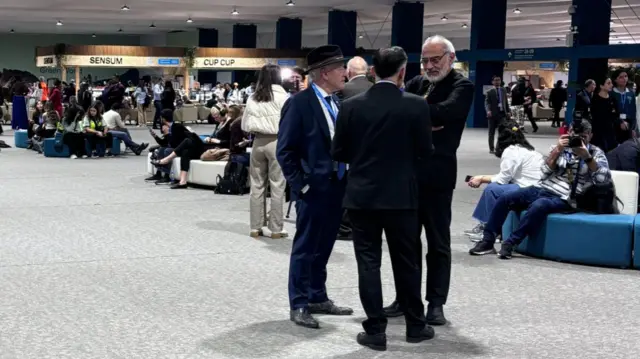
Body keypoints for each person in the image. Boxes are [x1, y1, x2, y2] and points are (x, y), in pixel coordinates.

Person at [332, 46, 434, 350]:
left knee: (368, 262)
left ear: (373, 70)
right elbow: (426, 151)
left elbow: (339, 152)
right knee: (407, 262)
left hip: (362, 196)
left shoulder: (350, 105)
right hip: (402, 195)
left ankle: (375, 330)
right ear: (402, 72)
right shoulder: (417, 105)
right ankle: (416, 325)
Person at [383, 35, 474, 326]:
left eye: (436, 59)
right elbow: (397, 112)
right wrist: (426, 119)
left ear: (451, 57)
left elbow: (446, 112)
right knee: (405, 243)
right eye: (425, 60)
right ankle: (405, 297)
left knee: (438, 243)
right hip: (407, 175)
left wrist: (416, 115)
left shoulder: (462, 86)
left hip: (438, 176)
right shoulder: (417, 84)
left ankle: (436, 303)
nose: (430, 65)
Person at [277, 45, 354, 329]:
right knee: (305, 247)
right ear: (325, 73)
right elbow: (285, 151)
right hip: (313, 189)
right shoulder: (299, 103)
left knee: (324, 246)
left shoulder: (338, 101)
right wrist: (302, 185)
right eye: (340, 68)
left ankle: (317, 296)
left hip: (337, 186)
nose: (345, 73)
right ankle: (298, 303)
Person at [469, 120, 611, 258]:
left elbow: (603, 179)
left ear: (591, 135)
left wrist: (586, 157)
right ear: (568, 133)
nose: (578, 141)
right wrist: (557, 151)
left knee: (539, 205)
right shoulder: (560, 148)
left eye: (583, 137)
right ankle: (487, 241)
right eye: (575, 137)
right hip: (543, 187)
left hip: (567, 198)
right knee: (506, 197)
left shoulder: (595, 153)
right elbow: (543, 172)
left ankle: (511, 243)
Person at [464, 126, 543, 241]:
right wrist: (481, 178)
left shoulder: (510, 151)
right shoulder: (528, 150)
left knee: (492, 189)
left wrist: (481, 178)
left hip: (528, 188)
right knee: (494, 187)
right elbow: (507, 176)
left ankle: (491, 231)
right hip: (534, 187)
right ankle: (484, 225)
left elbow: (502, 179)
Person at [242, 64, 289, 239]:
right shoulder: (284, 97)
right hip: (278, 141)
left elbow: (244, 124)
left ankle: (255, 227)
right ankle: (276, 228)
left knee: (256, 185)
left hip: (258, 142)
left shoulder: (253, 97)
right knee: (277, 185)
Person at [150, 109, 205, 189]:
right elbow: (164, 143)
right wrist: (155, 136)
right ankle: (159, 174)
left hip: (188, 147)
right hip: (182, 149)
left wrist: (167, 134)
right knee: (162, 149)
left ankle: (166, 175)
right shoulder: (169, 127)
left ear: (163, 119)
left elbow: (174, 144)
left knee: (167, 150)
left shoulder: (177, 127)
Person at [590, 77, 619, 153]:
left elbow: (616, 114)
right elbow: (593, 115)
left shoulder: (613, 98)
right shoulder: (595, 99)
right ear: (601, 86)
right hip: (597, 131)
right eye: (608, 83)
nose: (611, 85)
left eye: (611, 83)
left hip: (610, 131)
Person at [485, 75, 510, 153]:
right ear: (492, 82)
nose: (497, 82)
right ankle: (491, 149)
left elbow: (505, 102)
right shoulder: (489, 92)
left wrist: (508, 111)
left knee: (502, 132)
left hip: (502, 114)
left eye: (498, 80)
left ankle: (499, 148)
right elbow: (487, 102)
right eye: (495, 80)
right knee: (491, 133)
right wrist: (488, 111)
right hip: (492, 115)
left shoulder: (503, 90)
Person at [611, 69, 636, 144]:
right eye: (621, 77)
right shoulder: (611, 93)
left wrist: (633, 128)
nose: (624, 79)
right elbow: (610, 112)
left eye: (625, 76)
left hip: (628, 126)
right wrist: (620, 122)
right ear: (615, 80)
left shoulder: (631, 93)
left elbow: (633, 111)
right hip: (615, 125)